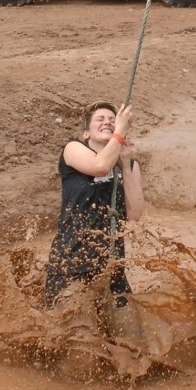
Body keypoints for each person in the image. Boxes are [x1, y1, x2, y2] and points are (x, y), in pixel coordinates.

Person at [45, 101, 145, 309]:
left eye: (111, 119)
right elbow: (100, 167)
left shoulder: (130, 165)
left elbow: (134, 214)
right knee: (73, 334)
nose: (107, 122)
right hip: (71, 259)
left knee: (128, 335)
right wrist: (120, 130)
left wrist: (126, 166)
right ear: (86, 134)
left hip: (111, 264)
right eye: (100, 119)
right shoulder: (73, 149)